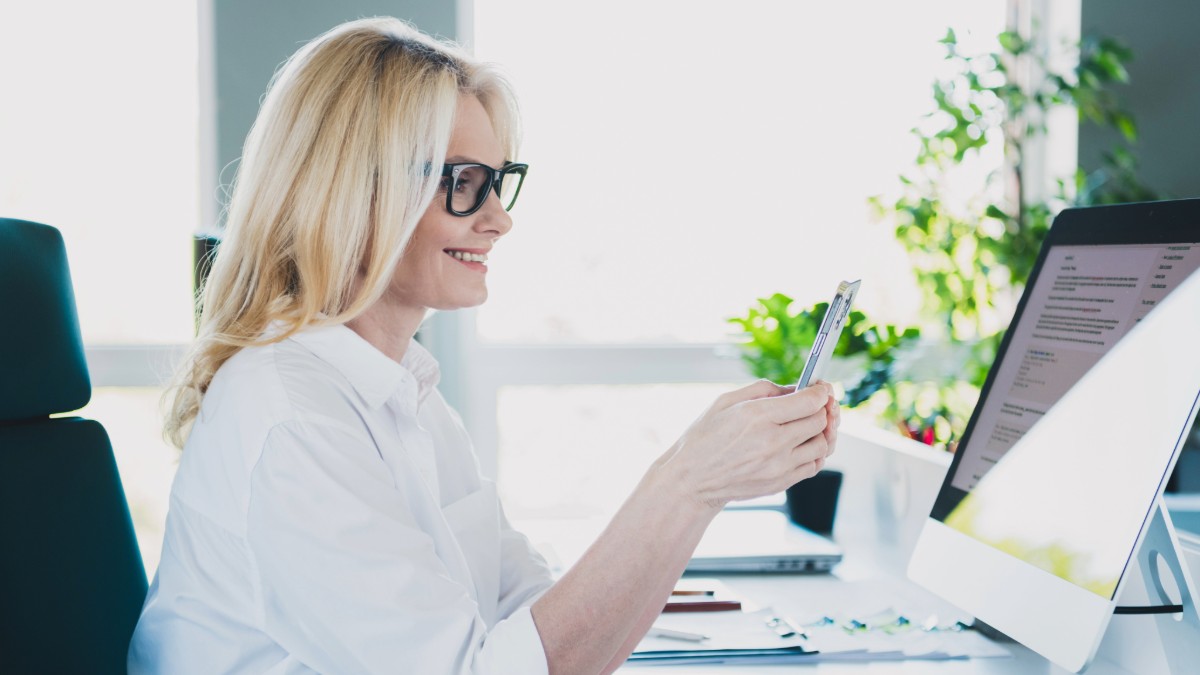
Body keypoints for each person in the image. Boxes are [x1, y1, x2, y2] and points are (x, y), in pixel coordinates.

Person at [128, 16, 839, 675]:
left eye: (498, 184)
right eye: (465, 183)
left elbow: (527, 614)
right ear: (353, 190)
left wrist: (699, 484)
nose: (499, 220)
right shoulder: (292, 418)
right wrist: (687, 483)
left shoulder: (406, 395)